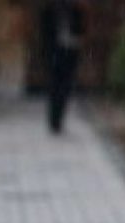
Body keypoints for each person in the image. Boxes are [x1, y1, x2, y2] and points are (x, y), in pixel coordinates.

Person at [41, 0, 85, 134]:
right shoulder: (49, 10)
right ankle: (54, 120)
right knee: (55, 86)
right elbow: (44, 34)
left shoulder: (76, 10)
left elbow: (81, 30)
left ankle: (59, 118)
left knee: (65, 87)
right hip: (55, 52)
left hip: (70, 52)